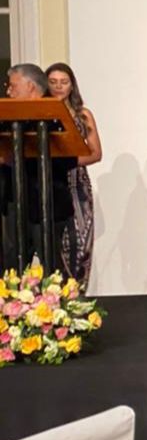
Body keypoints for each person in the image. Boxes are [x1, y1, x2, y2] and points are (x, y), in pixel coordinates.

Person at [1, 64, 77, 274]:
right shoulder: (6, 117)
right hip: (16, 203)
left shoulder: (55, 115)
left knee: (52, 268)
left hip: (48, 203)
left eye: (13, 86)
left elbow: (69, 157)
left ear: (30, 87)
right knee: (12, 266)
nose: (9, 92)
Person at [45, 63, 102, 286]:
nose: (58, 87)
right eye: (53, 82)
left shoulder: (83, 115)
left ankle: (77, 294)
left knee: (80, 245)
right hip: (50, 183)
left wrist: (65, 162)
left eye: (64, 82)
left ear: (72, 86)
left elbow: (95, 153)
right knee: (54, 246)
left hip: (77, 185)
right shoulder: (42, 114)